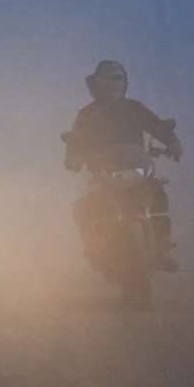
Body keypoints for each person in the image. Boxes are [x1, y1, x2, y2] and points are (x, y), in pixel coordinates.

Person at [63, 60, 182, 271]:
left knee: (158, 194)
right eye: (109, 80)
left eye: (118, 79)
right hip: (104, 172)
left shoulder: (134, 108)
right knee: (87, 203)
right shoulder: (87, 114)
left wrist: (172, 142)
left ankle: (162, 249)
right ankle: (94, 246)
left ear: (125, 82)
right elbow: (76, 138)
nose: (114, 85)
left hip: (137, 169)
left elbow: (157, 126)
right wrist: (74, 157)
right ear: (98, 84)